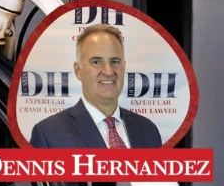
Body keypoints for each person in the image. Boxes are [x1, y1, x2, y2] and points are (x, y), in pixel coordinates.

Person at [29, 23, 163, 148]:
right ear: (78, 70)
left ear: (124, 66)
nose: (109, 71)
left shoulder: (148, 130)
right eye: (96, 62)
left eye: (115, 61)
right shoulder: (47, 134)